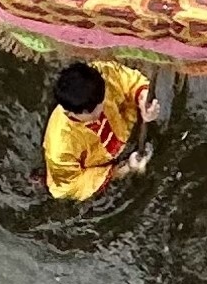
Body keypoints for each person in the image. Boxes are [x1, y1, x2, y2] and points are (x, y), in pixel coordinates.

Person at [43, 60, 154, 202]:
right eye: (93, 110)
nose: (101, 109)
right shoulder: (60, 146)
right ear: (72, 112)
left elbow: (128, 80)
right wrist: (124, 169)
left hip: (125, 129)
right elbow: (72, 184)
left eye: (101, 101)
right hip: (100, 164)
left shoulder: (100, 75)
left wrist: (143, 99)